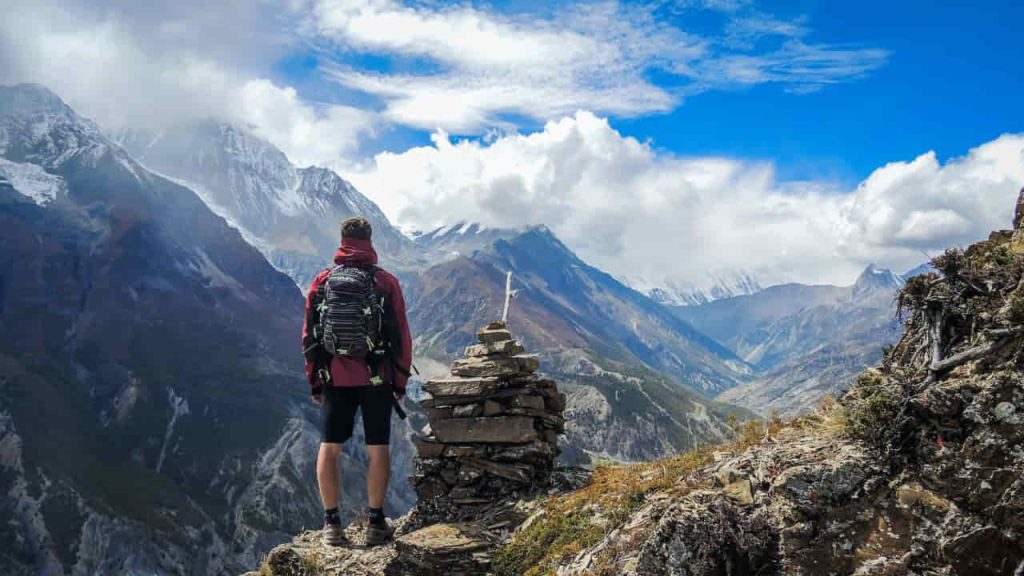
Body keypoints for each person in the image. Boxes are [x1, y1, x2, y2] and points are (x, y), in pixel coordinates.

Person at [301, 217, 412, 546]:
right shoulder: (385, 282)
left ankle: (331, 526)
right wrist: (400, 382)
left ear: (342, 241)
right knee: (378, 450)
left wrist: (315, 382)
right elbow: (402, 337)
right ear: (370, 240)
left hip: (335, 376)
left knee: (330, 448)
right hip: (377, 377)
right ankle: (376, 523)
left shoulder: (322, 281)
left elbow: (309, 337)